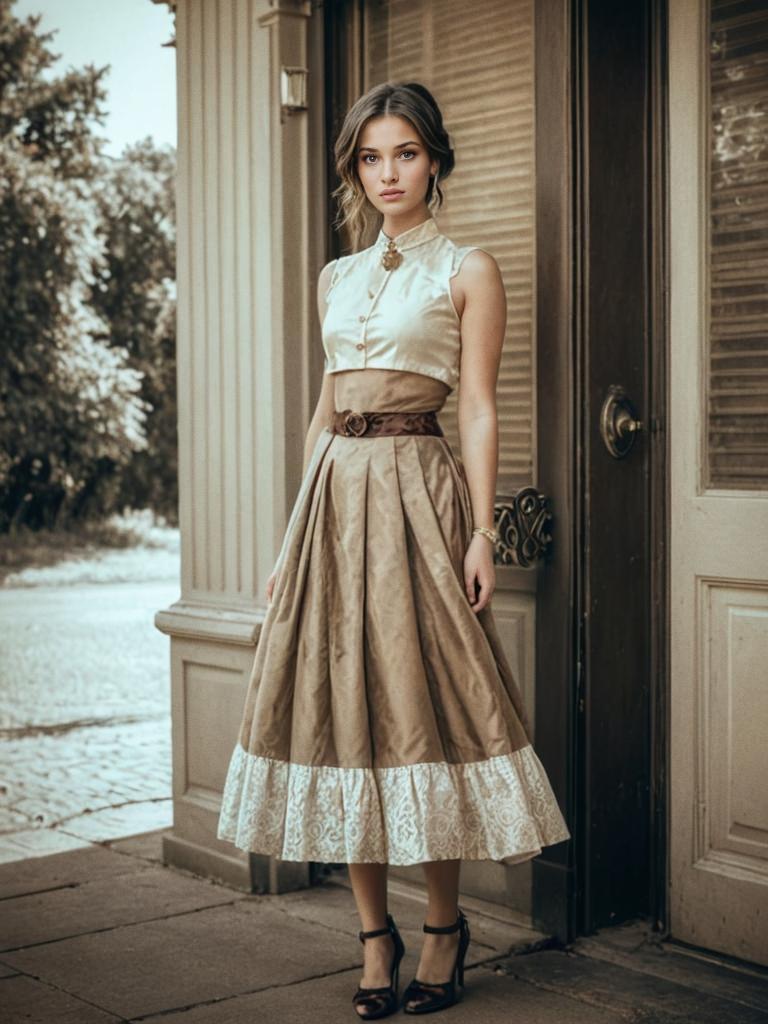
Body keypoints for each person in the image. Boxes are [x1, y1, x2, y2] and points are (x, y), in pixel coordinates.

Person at [216, 80, 570, 1019]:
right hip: (334, 499)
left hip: (419, 493)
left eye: (404, 153)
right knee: (343, 712)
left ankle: (444, 927)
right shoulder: (336, 277)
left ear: (436, 160)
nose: (387, 173)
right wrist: (293, 533)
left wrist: (484, 529)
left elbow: (484, 408)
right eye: (370, 157)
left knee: (422, 709)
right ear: (355, 168)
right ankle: (375, 937)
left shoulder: (467, 269)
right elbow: (324, 413)